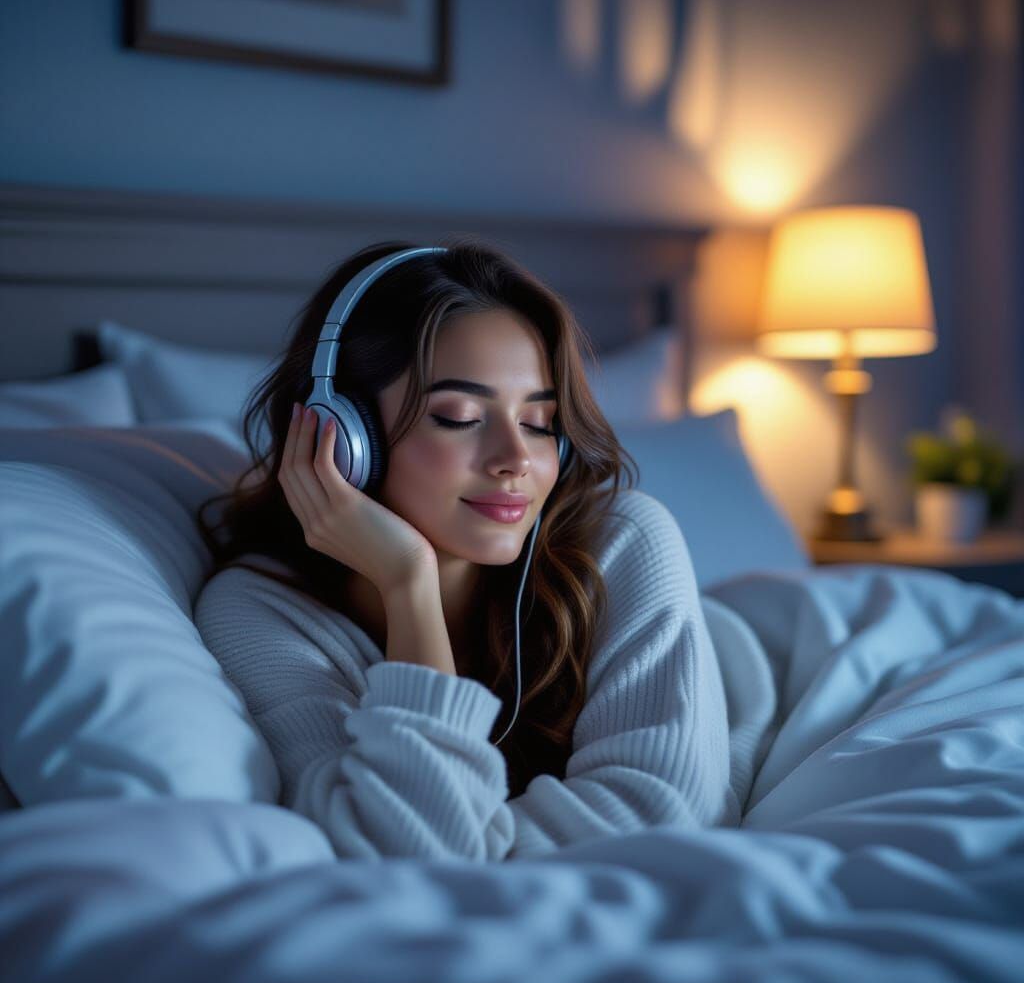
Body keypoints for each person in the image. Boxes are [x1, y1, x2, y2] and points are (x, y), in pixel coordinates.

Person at [193, 239, 740, 862]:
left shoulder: (626, 539)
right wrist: (408, 585)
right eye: (458, 416)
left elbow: (661, 820)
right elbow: (402, 853)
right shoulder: (258, 610)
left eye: (540, 423)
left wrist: (484, 843)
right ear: (343, 435)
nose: (516, 461)